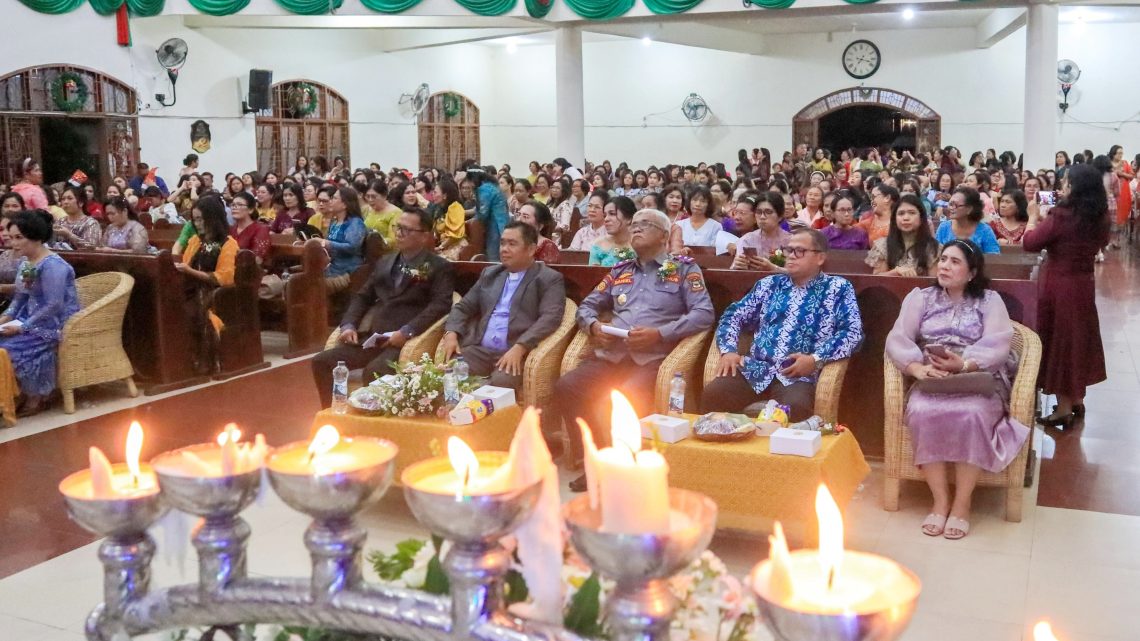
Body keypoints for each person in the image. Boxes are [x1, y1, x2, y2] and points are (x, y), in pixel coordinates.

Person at [552, 209, 715, 491]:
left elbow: (704, 314)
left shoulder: (684, 269)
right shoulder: (620, 270)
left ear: (664, 236)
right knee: (568, 386)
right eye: (635, 224)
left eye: (645, 225)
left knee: (626, 396)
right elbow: (588, 305)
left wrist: (660, 334)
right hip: (611, 354)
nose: (636, 229)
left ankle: (630, 469)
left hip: (652, 359)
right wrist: (593, 327)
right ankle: (597, 461)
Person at [885, 240, 1031, 540]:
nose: (944, 266)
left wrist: (964, 364)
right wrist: (915, 368)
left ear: (972, 272)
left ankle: (962, 504)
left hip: (975, 379)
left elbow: (999, 343)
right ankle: (940, 501)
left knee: (972, 413)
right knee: (923, 411)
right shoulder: (920, 298)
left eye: (954, 262)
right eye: (943, 260)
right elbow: (898, 338)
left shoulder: (990, 301)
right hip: (932, 377)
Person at [704, 228, 863, 420]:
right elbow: (733, 315)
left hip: (797, 373)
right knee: (714, 395)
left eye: (799, 251)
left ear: (820, 258)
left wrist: (815, 359)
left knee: (795, 409)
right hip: (755, 369)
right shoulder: (769, 284)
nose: (791, 257)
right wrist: (728, 350)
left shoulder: (837, 288)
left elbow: (852, 332)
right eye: (788, 250)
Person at [310, 209, 455, 408]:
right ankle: (331, 414)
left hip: (403, 342)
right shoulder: (386, 262)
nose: (399, 233)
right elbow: (363, 296)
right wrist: (349, 324)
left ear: (424, 236)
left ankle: (374, 427)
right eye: (398, 228)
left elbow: (441, 305)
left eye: (406, 230)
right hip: (372, 338)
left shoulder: (439, 267)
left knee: (374, 371)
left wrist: (407, 331)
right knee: (321, 362)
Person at [1023, 164, 1109, 427]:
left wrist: (1033, 217)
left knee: (1062, 343)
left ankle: (1062, 409)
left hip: (1059, 285)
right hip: (1083, 284)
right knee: (1078, 341)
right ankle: (1077, 398)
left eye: (1066, 183)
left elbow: (1030, 243)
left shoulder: (1062, 216)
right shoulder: (1100, 216)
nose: (1061, 188)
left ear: (1075, 187)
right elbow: (1102, 243)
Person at [439, 221, 567, 391]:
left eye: (512, 244)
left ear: (531, 249)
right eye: (502, 243)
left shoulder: (548, 278)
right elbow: (463, 307)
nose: (504, 249)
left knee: (500, 385)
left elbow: (550, 317)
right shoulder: (491, 274)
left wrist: (521, 347)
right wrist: (451, 333)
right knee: (448, 377)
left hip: (514, 350)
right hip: (479, 349)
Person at [0, 210, 80, 416]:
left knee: (8, 349)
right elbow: (21, 296)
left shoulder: (54, 265)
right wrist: (7, 316)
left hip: (54, 324)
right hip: (31, 319)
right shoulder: (27, 263)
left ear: (35, 237)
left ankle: (36, 395)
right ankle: (13, 395)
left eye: (19, 238)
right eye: (12, 237)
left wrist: (24, 327)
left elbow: (54, 304)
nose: (14, 243)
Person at [175, 196, 238, 375]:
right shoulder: (196, 240)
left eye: (201, 219)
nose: (198, 223)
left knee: (194, 311)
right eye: (195, 219)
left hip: (212, 291)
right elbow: (186, 263)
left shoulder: (228, 243)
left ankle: (201, 361)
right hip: (190, 287)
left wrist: (191, 272)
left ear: (213, 218)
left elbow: (225, 278)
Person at [866, 193, 940, 276]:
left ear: (921, 218)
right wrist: (895, 272)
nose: (906, 218)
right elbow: (876, 279)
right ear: (894, 219)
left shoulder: (933, 248)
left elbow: (933, 284)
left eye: (912, 213)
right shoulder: (883, 245)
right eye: (901, 213)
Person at [321, 186, 369, 292]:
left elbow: (352, 247)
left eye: (334, 198)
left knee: (313, 286)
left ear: (344, 204)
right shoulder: (334, 223)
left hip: (348, 272)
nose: (331, 201)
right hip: (331, 268)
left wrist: (328, 244)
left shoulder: (355, 222)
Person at [732, 191, 791, 270]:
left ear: (780, 216)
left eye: (768, 212)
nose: (762, 217)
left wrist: (773, 268)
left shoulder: (791, 241)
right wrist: (737, 266)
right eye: (759, 212)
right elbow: (733, 271)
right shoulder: (747, 240)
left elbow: (799, 273)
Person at [935, 186, 1001, 254]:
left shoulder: (985, 230)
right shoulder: (944, 227)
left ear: (970, 209)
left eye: (956, 205)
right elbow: (936, 255)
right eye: (951, 204)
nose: (952, 208)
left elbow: (993, 257)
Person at [471, 167, 510, 262]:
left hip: (495, 225)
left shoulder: (485, 189)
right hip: (501, 222)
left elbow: (483, 212)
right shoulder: (491, 186)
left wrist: (472, 220)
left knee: (494, 258)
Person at [588, 195, 637, 266]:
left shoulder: (640, 245)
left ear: (629, 218)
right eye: (605, 215)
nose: (606, 219)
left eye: (612, 214)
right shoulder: (599, 245)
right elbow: (593, 275)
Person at [229, 192, 270, 266]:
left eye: (239, 205)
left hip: (249, 272)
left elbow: (257, 259)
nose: (235, 207)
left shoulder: (260, 229)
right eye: (233, 205)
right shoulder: (231, 229)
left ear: (250, 209)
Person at [434, 178, 468, 260]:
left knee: (433, 263)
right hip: (444, 246)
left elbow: (455, 235)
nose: (433, 195)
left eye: (435, 192)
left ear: (445, 195)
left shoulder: (455, 207)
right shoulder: (438, 209)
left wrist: (441, 247)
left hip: (456, 245)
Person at [363, 180, 402, 247]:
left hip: (387, 254)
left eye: (373, 196)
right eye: (367, 196)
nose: (370, 200)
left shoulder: (396, 213)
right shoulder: (366, 209)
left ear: (384, 196)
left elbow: (393, 240)